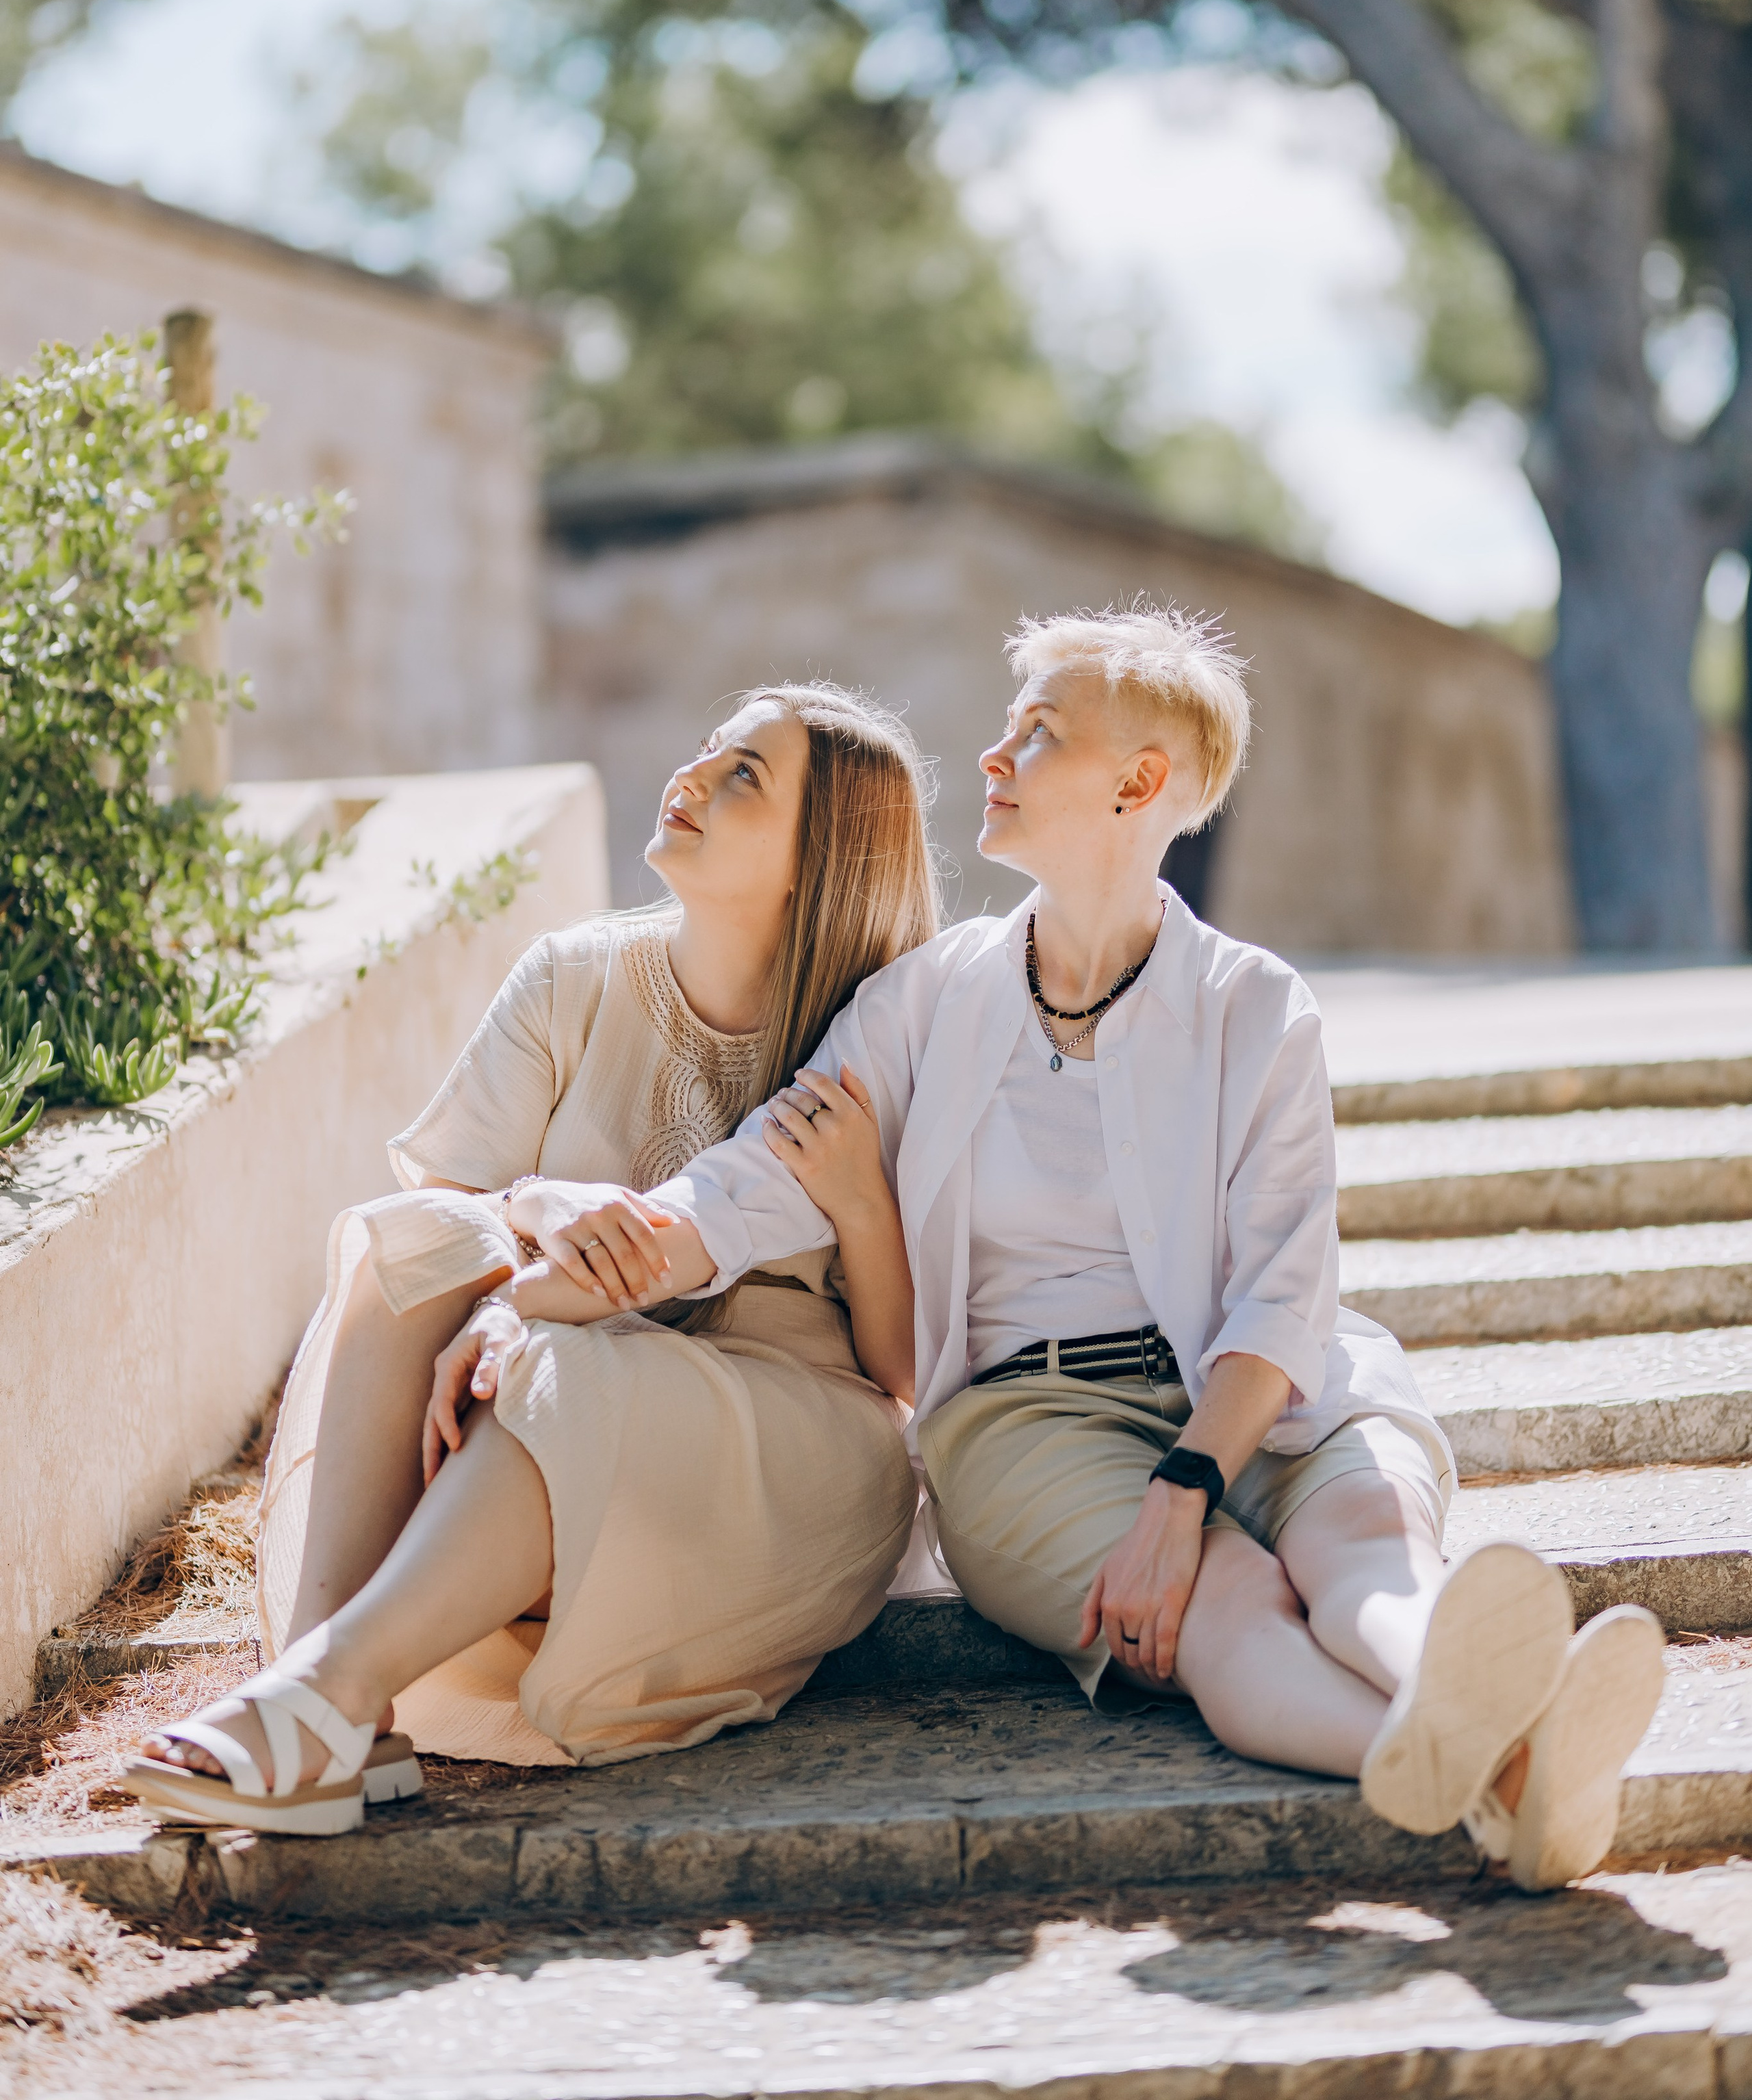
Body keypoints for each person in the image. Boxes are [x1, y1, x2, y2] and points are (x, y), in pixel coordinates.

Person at [588, 604, 1664, 1895]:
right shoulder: (924, 1000)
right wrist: (642, 1239)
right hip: (1031, 1426)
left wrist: (1188, 1483)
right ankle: (1494, 1759)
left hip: (1272, 1391)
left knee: (1366, 1549)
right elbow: (767, 1162)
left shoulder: (1257, 1008)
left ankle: (1487, 1724)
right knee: (1230, 1614)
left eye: (1036, 735)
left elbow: (1284, 1289)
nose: (991, 758)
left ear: (1140, 784)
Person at [125, 682, 935, 1833]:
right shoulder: (573, 978)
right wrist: (537, 1200)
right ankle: (332, 1705)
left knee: (571, 1374)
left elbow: (903, 1374)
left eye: (744, 775)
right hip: (531, 1407)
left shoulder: (884, 1039)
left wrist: (861, 1204)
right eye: (708, 750)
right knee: (410, 1239)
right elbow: (439, 1227)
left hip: (777, 1456)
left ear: (823, 857)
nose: (691, 776)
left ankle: (319, 1700)